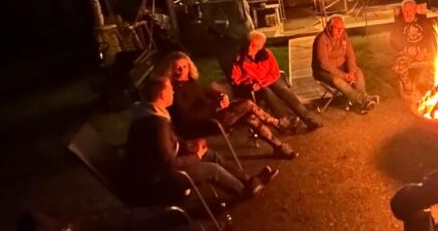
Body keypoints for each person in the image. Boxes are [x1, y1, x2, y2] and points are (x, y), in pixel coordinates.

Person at [123, 76, 277, 206]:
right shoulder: (156, 125)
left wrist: (189, 145)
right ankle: (243, 191)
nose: (173, 92)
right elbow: (169, 164)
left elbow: (168, 145)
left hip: (164, 167)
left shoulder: (152, 112)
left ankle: (249, 180)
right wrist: (195, 156)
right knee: (211, 169)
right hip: (160, 181)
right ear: (162, 95)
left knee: (210, 154)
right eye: (170, 90)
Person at [156, 51, 299, 160]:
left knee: (250, 117)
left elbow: (204, 97)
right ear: (170, 70)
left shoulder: (190, 82)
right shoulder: (172, 90)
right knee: (248, 104)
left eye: (185, 66)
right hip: (199, 125)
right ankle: (278, 124)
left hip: (211, 115)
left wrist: (220, 97)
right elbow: (189, 115)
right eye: (177, 68)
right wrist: (216, 106)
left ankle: (278, 146)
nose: (182, 71)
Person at [232, 31, 323, 131]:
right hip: (254, 87)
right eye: (251, 44)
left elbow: (275, 73)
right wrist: (250, 83)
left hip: (267, 80)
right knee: (267, 92)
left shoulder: (266, 55)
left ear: (261, 46)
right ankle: (287, 121)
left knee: (283, 89)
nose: (250, 48)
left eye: (255, 46)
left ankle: (308, 119)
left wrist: (261, 82)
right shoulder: (239, 59)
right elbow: (236, 80)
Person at [311, 15, 378, 114]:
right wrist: (344, 76)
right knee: (337, 80)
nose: (340, 31)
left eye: (342, 29)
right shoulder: (321, 40)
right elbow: (324, 64)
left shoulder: (344, 36)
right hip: (324, 71)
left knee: (358, 72)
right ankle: (363, 100)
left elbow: (350, 55)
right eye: (337, 29)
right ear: (330, 27)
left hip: (342, 66)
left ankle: (362, 102)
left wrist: (351, 71)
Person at [390, 0, 436, 101]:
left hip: (423, 51)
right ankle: (409, 87)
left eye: (410, 10)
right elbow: (393, 40)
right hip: (406, 52)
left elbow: (431, 37)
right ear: (402, 11)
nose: (407, 13)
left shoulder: (423, 21)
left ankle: (428, 83)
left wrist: (423, 50)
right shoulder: (398, 24)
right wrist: (406, 48)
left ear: (415, 10)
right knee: (399, 65)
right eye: (405, 10)